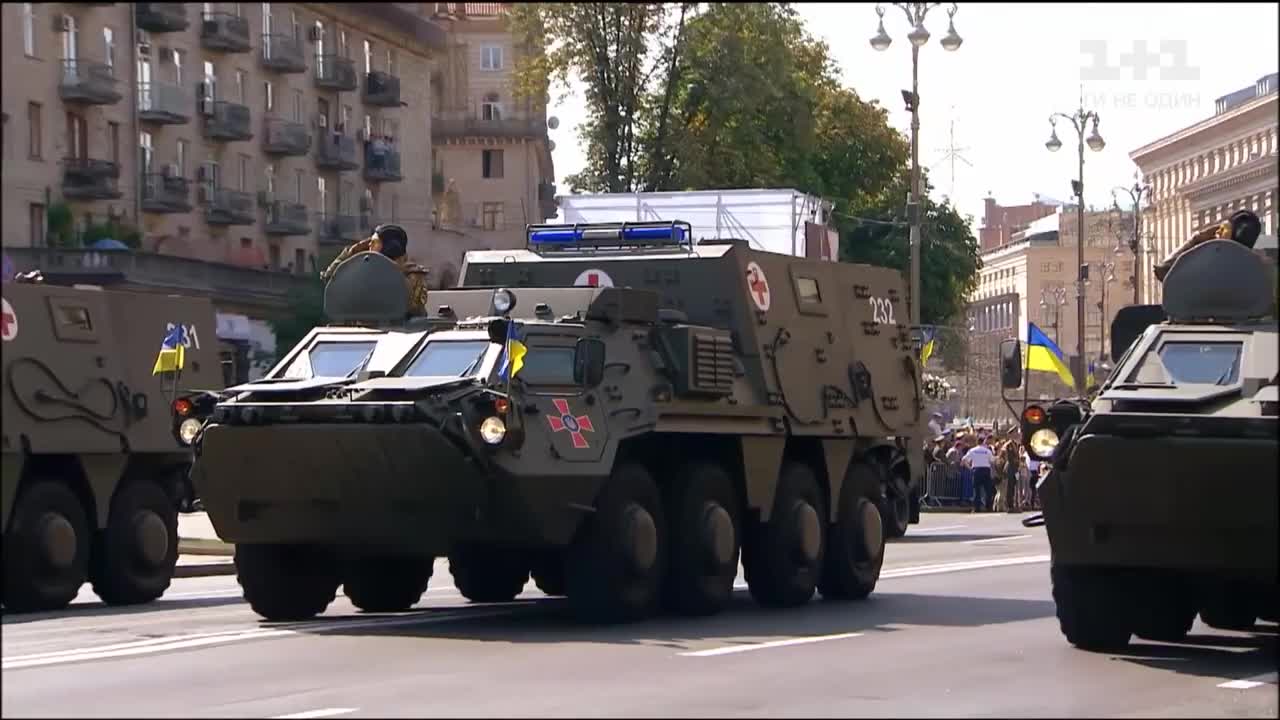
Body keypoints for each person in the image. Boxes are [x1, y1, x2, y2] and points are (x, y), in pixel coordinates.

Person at [321, 223, 430, 316]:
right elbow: (330, 278)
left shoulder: (411, 275)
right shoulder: (363, 270)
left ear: (389, 247)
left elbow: (406, 306)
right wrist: (352, 252)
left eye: (374, 242)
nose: (368, 245)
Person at [1153, 209, 1262, 282]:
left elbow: (1163, 271)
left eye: (1222, 229)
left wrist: (1196, 239)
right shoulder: (1258, 271)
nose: (1217, 231)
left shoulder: (1202, 267)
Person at [963, 435, 995, 513]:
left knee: (976, 490)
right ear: (983, 442)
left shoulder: (972, 450)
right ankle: (989, 507)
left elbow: (964, 459)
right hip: (986, 470)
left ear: (977, 442)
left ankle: (976, 508)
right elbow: (992, 461)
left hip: (976, 470)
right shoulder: (987, 450)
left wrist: (969, 468)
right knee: (988, 490)